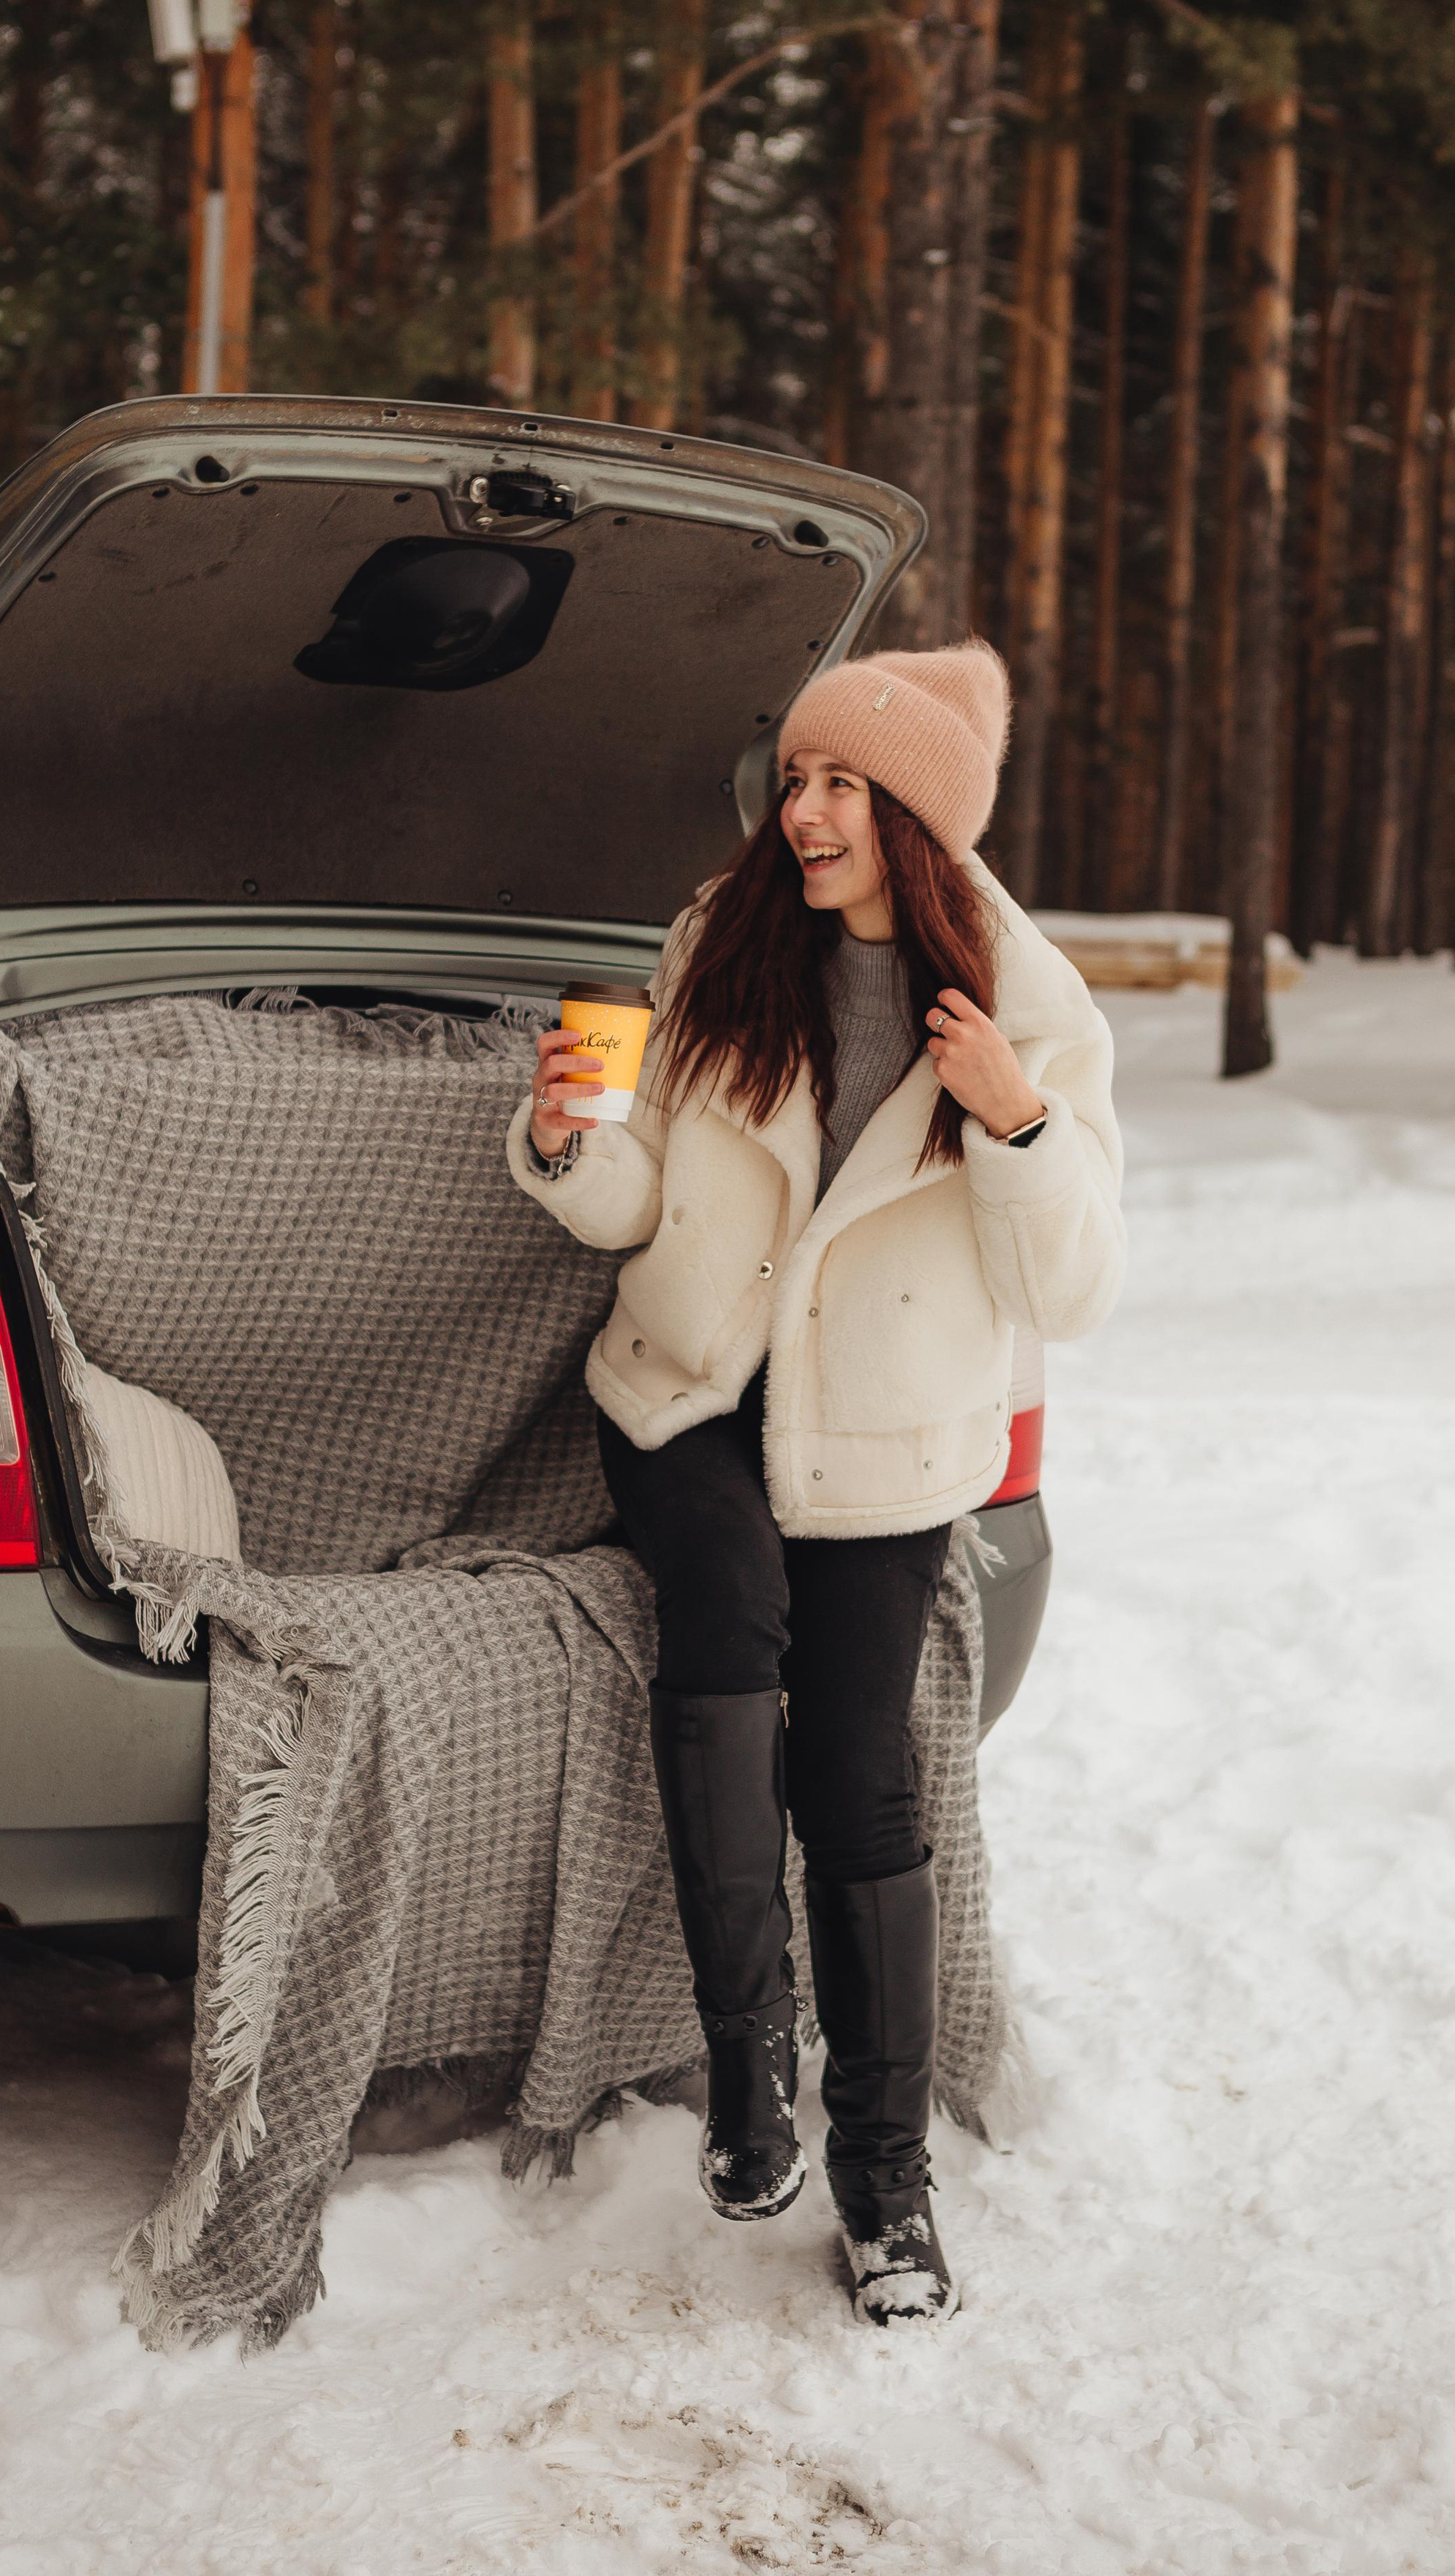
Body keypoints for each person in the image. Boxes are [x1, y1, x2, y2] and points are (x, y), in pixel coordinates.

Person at [506, 638, 1125, 2326]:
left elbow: (1072, 1290)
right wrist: (570, 1139)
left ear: (921, 814)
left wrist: (1011, 1123)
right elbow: (646, 1204)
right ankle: (744, 2061)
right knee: (724, 1595)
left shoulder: (1027, 1004)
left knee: (858, 1778)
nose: (805, 809)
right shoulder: (721, 943)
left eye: (844, 782)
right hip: (688, 1391)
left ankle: (886, 2185)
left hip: (883, 1440)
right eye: (796, 777)